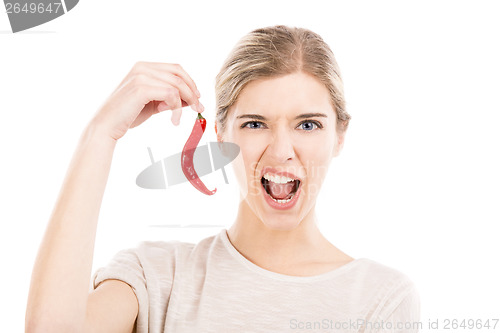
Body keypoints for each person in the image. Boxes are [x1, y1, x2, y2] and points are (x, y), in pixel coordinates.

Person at [25, 25, 420, 333]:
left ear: (339, 136)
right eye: (254, 123)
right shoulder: (157, 276)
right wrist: (99, 134)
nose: (282, 150)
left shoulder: (380, 299)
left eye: (308, 124)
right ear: (221, 135)